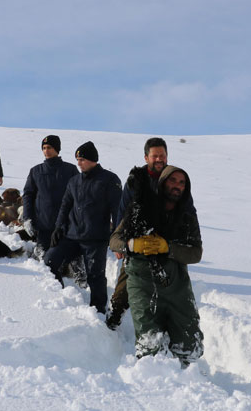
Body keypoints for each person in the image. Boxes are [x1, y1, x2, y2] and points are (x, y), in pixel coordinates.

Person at [110, 165, 203, 365]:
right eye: (173, 180)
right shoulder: (140, 209)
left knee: (189, 343)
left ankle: (191, 383)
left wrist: (168, 248)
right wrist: (132, 244)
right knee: (149, 345)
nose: (177, 186)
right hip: (142, 283)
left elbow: (196, 253)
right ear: (162, 182)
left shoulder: (187, 216)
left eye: (182, 182)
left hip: (176, 284)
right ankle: (154, 388)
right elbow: (114, 240)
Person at [107, 137, 194, 329]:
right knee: (126, 281)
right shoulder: (135, 181)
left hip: (167, 241)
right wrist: (120, 241)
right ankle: (115, 315)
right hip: (139, 240)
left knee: (171, 287)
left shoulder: (174, 178)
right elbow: (123, 211)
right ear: (146, 157)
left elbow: (188, 209)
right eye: (155, 156)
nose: (159, 159)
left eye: (162, 155)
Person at [44, 141, 121, 314]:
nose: (78, 163)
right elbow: (65, 206)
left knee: (95, 277)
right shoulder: (74, 181)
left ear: (93, 159)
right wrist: (58, 228)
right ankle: (63, 302)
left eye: (82, 159)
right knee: (50, 261)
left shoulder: (109, 180)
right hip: (71, 236)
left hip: (95, 238)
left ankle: (99, 313)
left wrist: (117, 236)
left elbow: (117, 211)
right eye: (77, 159)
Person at [21, 135, 79, 257]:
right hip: (43, 225)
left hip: (66, 225)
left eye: (50, 147)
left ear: (57, 149)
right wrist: (27, 218)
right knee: (43, 261)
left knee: (73, 260)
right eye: (44, 148)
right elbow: (28, 195)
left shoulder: (70, 170)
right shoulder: (36, 171)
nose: (46, 151)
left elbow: (79, 196)